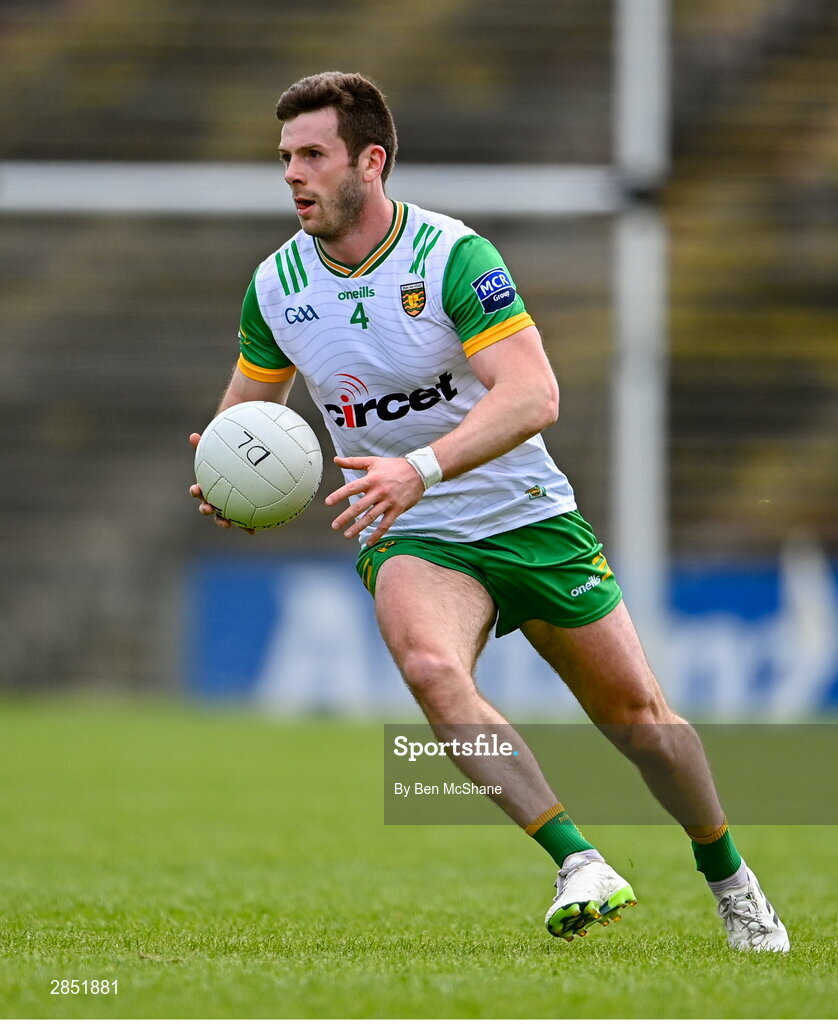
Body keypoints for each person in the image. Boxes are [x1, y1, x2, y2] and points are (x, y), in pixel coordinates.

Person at [190, 71, 788, 952]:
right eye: (285, 158)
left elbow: (534, 395)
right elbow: (248, 416)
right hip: (410, 531)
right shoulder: (277, 285)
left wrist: (418, 467)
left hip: (522, 510)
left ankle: (730, 877)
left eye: (312, 154)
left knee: (642, 725)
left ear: (371, 161)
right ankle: (576, 859)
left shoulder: (448, 258)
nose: (293, 175)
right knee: (431, 669)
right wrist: (227, 472)